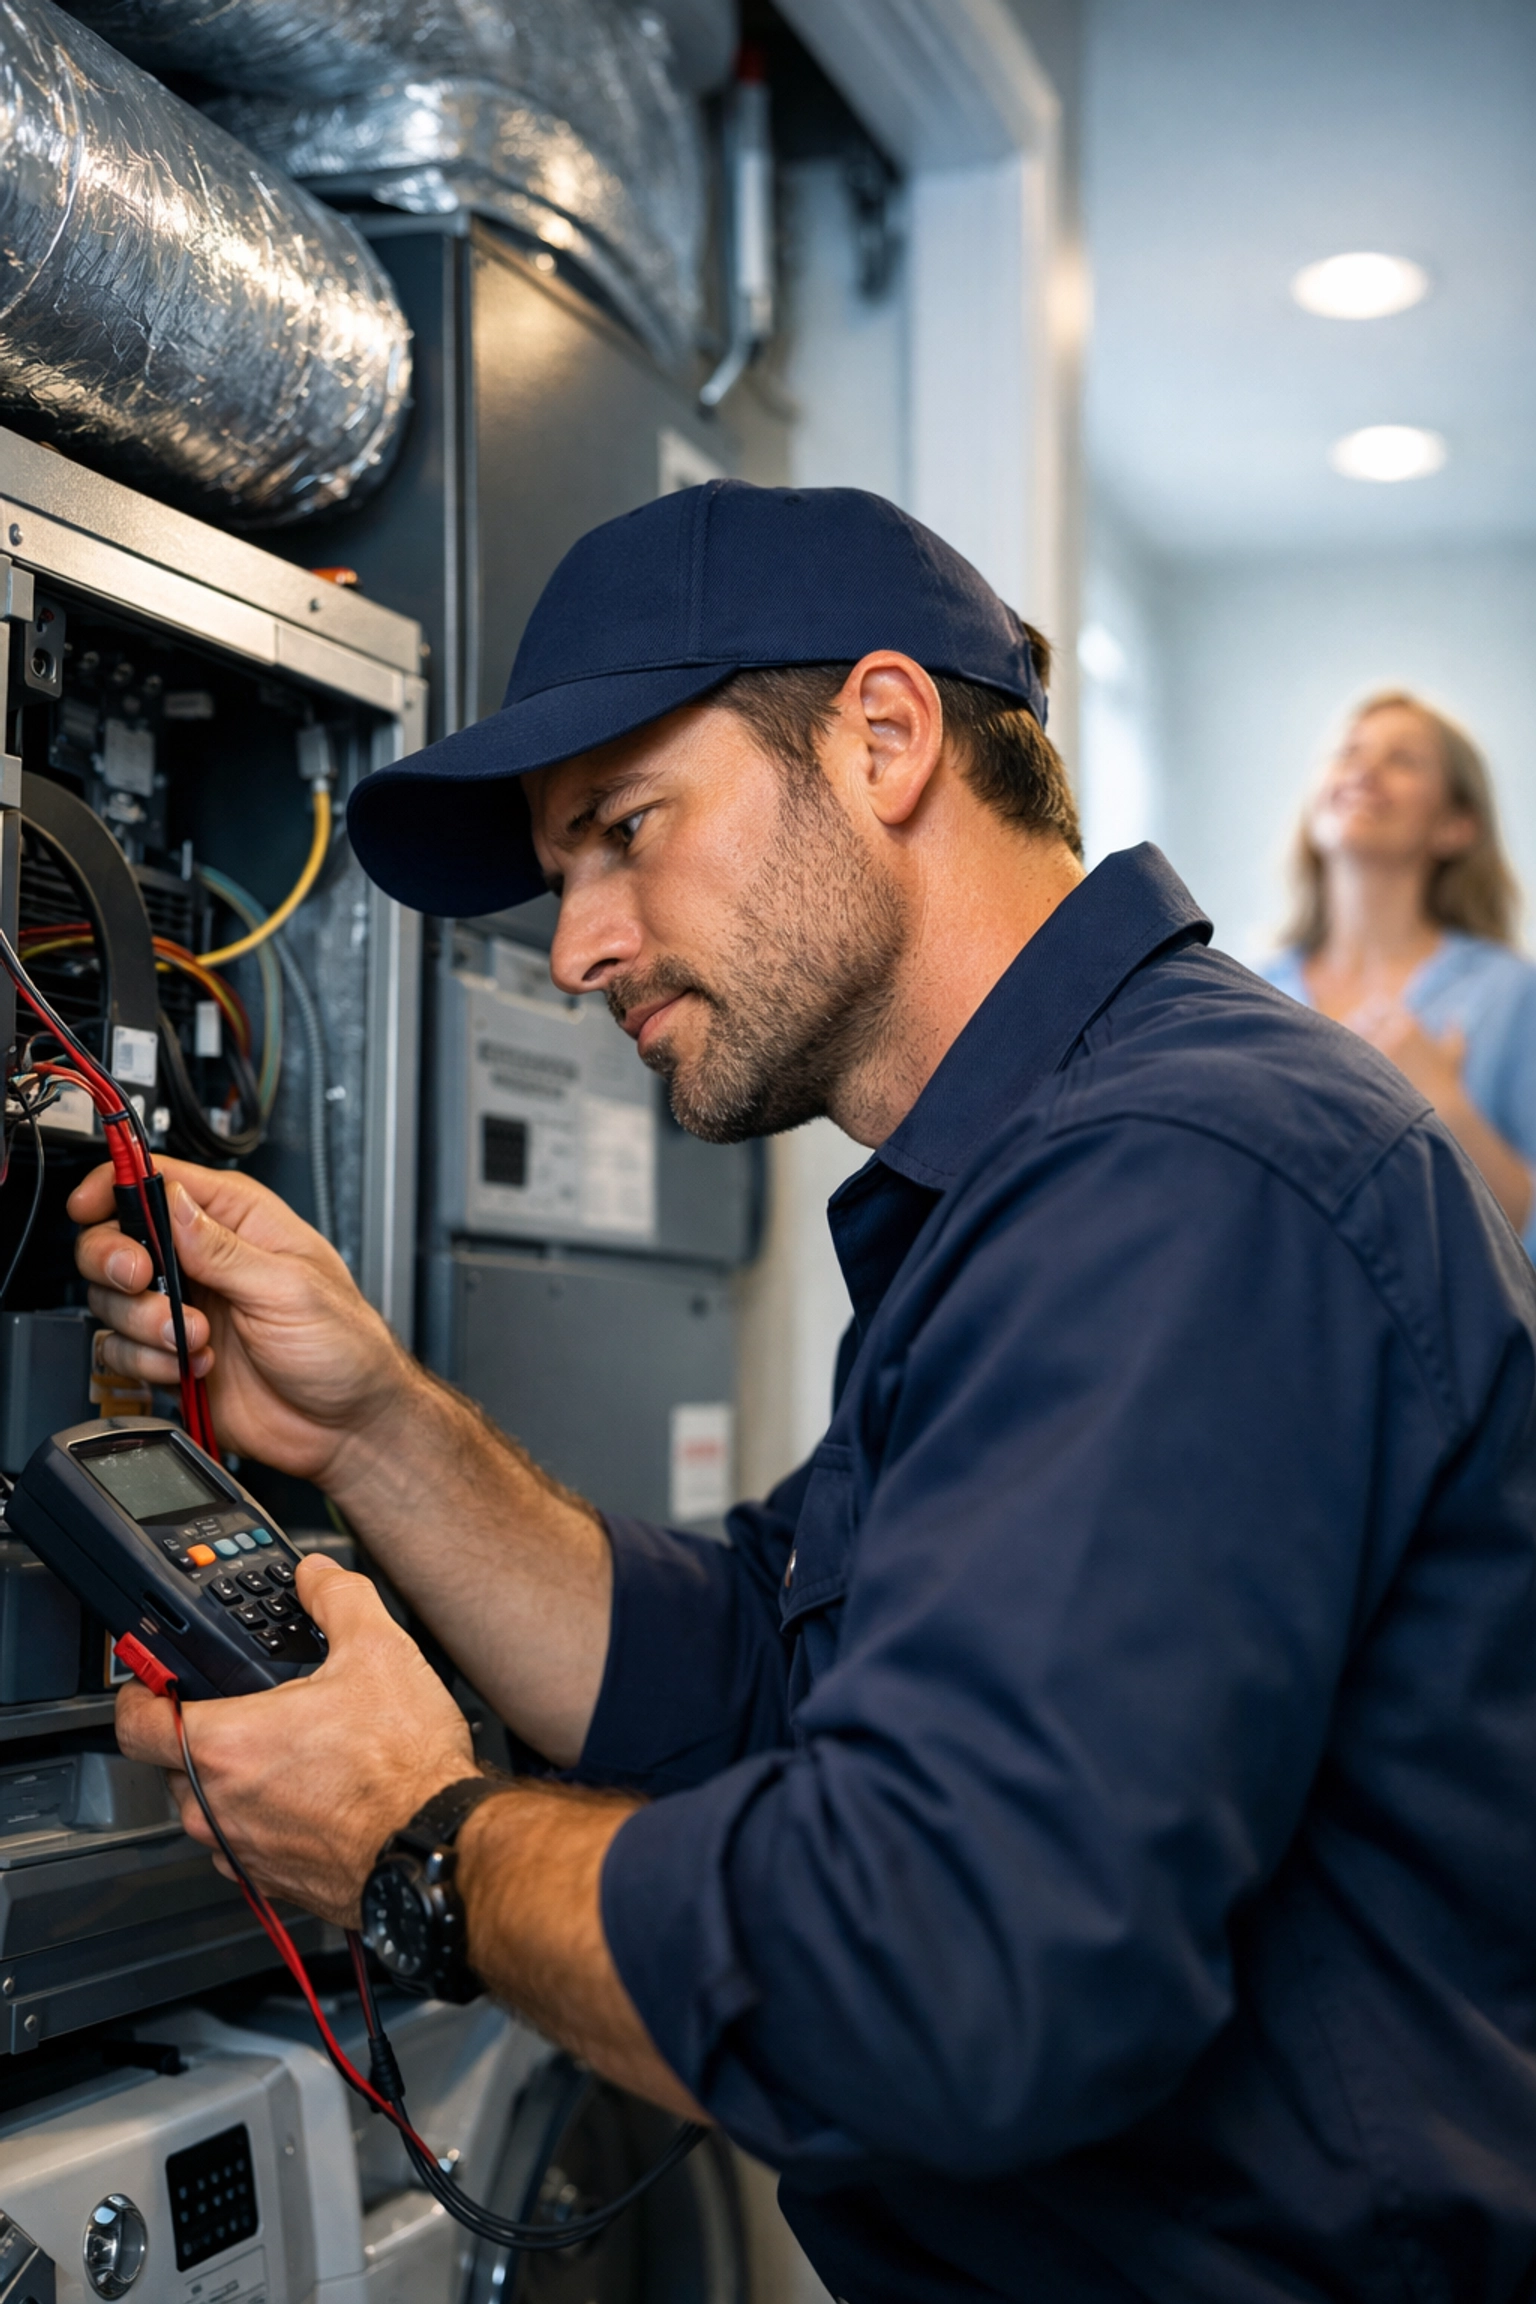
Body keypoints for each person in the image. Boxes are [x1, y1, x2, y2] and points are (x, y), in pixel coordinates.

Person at [72, 486, 1536, 2304]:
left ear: (885, 733)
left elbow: (945, 1971)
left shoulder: (1182, 1173)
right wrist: (367, 1418)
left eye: (623, 828)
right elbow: (760, 1666)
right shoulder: (1020, 1182)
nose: (579, 943)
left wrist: (414, 1842)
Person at [1263, 690, 1536, 1251]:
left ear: (1456, 826)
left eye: (1403, 760)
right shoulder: (1250, 994)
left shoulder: (1512, 995)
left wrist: (1446, 1105)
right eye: (1348, 752)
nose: (1364, 769)